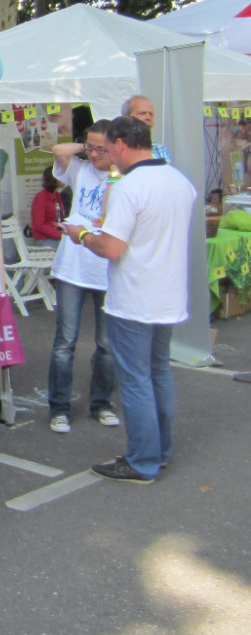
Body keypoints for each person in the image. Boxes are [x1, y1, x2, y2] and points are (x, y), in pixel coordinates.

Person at [62, 116, 196, 483]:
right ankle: (159, 451)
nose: (104, 157)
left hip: (135, 297)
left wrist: (82, 235)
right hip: (168, 294)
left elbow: (110, 247)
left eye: (106, 148)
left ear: (120, 143)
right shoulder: (178, 180)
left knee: (136, 380)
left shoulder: (129, 187)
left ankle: (142, 461)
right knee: (158, 373)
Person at [47, 120, 119, 435]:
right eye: (89, 146)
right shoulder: (79, 168)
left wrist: (109, 150)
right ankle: (59, 408)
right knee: (66, 341)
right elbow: (58, 150)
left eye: (100, 148)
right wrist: (86, 145)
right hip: (73, 268)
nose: (93, 154)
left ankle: (101, 403)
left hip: (107, 268)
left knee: (107, 345)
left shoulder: (124, 176)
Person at [120, 95, 172, 164]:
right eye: (142, 113)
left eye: (151, 114)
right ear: (126, 118)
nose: (148, 117)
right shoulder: (116, 147)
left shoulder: (160, 149)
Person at [30, 165, 65, 249]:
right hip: (45, 239)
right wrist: (60, 235)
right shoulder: (41, 198)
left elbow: (60, 218)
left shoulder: (57, 196)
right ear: (54, 179)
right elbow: (39, 225)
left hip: (56, 237)